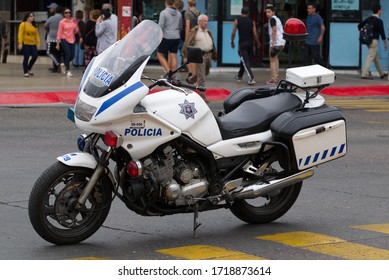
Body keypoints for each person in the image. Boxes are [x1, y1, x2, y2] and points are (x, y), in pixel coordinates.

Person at [183, 14, 217, 101]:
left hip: (208, 54)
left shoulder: (208, 31)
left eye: (207, 21)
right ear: (199, 22)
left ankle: (191, 80)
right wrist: (186, 55)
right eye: (204, 21)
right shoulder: (194, 31)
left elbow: (211, 43)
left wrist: (214, 54)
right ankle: (202, 96)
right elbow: (187, 43)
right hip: (200, 55)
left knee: (206, 72)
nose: (206, 23)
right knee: (201, 77)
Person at [230, 6, 261, 85]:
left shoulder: (237, 20)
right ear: (248, 13)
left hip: (242, 44)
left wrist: (232, 42)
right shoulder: (252, 21)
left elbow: (233, 33)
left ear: (241, 12)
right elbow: (255, 34)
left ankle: (251, 78)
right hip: (250, 43)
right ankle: (239, 76)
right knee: (244, 60)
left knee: (245, 61)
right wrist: (258, 43)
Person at [359, 4, 387, 80]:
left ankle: (381, 74)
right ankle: (364, 74)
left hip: (368, 41)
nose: (381, 11)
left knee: (376, 58)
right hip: (374, 42)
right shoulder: (379, 21)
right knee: (370, 57)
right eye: (381, 10)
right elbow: (382, 33)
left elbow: (359, 26)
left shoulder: (369, 19)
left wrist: (364, 33)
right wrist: (385, 43)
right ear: (378, 11)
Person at [157, 0, 182, 77]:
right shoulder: (179, 13)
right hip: (176, 36)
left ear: (166, 2)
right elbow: (180, 26)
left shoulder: (164, 13)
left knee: (160, 55)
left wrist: (158, 36)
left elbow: (160, 26)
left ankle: (168, 72)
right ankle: (173, 75)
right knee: (173, 56)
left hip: (166, 36)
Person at [265, 5, 285, 85]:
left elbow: (274, 30)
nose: (267, 13)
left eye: (269, 12)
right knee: (276, 59)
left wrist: (272, 43)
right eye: (266, 12)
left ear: (273, 12)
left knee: (272, 61)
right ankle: (276, 76)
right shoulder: (277, 19)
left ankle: (273, 79)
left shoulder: (272, 19)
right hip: (281, 42)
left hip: (276, 43)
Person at [56, 8, 78, 77]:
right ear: (64, 14)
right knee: (68, 54)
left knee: (72, 55)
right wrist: (57, 43)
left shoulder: (73, 21)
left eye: (69, 12)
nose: (68, 14)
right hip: (64, 39)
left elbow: (76, 30)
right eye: (66, 12)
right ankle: (68, 70)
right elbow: (59, 33)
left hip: (72, 39)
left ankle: (64, 63)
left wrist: (76, 30)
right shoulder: (62, 22)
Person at [18, 12, 40, 77]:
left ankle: (29, 68)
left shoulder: (34, 25)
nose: (32, 17)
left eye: (33, 16)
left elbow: (37, 35)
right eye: (31, 16)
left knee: (35, 56)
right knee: (26, 57)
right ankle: (25, 72)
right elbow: (20, 34)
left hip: (33, 43)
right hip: (25, 43)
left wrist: (38, 43)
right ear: (27, 17)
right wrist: (20, 43)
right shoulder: (23, 24)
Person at [184, 0, 201, 80]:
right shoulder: (199, 12)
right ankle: (195, 72)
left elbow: (187, 25)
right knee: (195, 54)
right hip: (197, 35)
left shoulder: (187, 13)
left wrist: (187, 37)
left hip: (191, 35)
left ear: (188, 4)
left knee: (187, 54)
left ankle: (191, 72)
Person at [44, 3, 63, 73]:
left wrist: (48, 31)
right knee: (57, 53)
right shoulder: (63, 18)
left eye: (51, 8)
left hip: (52, 38)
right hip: (60, 39)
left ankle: (58, 65)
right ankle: (55, 67)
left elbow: (45, 26)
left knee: (50, 52)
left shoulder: (52, 18)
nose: (50, 9)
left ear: (55, 9)